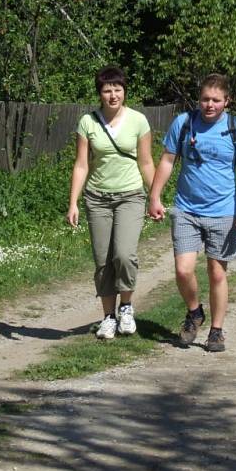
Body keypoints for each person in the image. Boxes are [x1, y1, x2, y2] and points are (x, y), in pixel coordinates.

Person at [148, 73, 236, 352]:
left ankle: (216, 331)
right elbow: (168, 160)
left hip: (223, 212)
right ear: (198, 99)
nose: (210, 105)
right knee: (183, 271)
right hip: (186, 209)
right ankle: (195, 312)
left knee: (217, 273)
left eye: (216, 100)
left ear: (226, 101)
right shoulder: (184, 124)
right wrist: (155, 196)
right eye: (205, 99)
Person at [67, 65, 155, 339]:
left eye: (117, 89)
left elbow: (146, 161)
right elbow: (82, 165)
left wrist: (155, 196)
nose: (113, 95)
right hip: (97, 199)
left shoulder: (139, 121)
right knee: (103, 261)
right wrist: (73, 202)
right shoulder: (87, 122)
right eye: (107, 90)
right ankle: (108, 316)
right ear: (100, 94)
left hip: (130, 195)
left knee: (124, 255)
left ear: (125, 91)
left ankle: (126, 307)